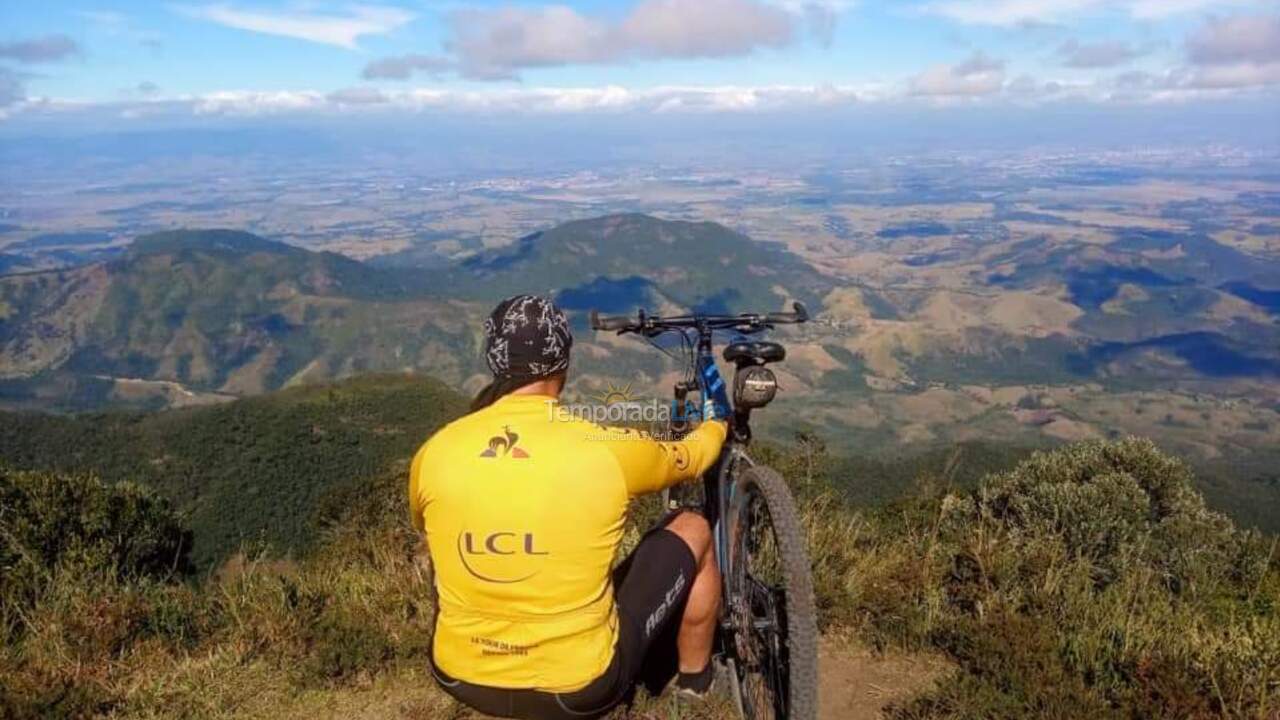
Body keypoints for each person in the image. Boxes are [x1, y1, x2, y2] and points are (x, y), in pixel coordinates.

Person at [408, 294, 730, 720]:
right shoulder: (607, 449)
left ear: (494, 361)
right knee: (693, 527)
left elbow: (427, 532)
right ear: (564, 361)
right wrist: (716, 424)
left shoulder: (435, 450)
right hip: (578, 691)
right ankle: (696, 685)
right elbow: (691, 458)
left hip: (459, 676)